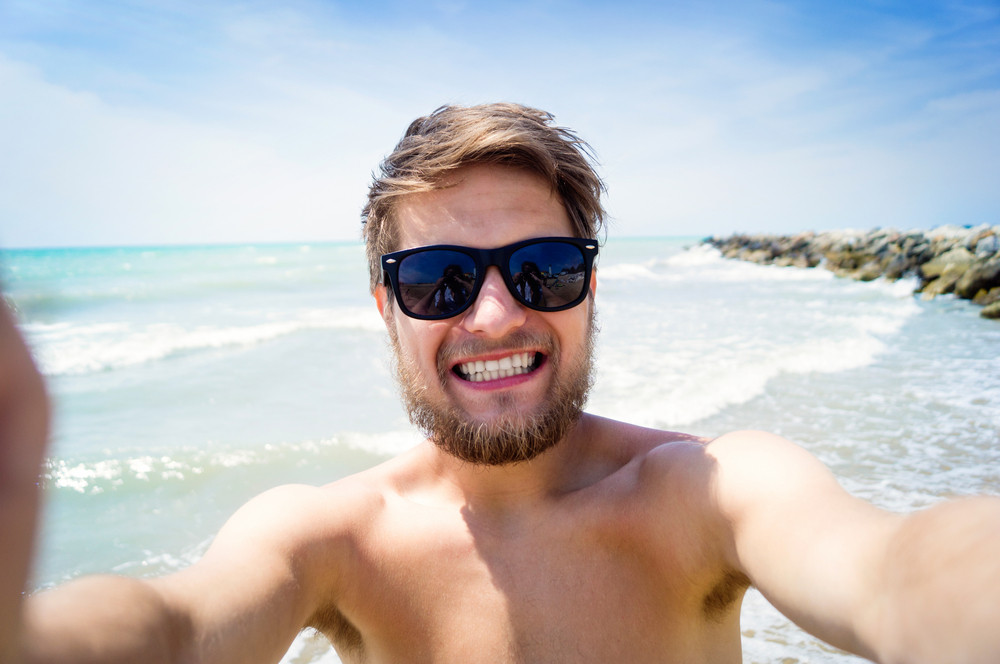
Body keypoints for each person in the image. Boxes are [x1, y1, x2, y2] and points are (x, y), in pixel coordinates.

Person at [2, 102, 999, 664]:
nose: (493, 315)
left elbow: (898, 572)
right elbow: (175, 628)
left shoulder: (707, 490)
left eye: (542, 270)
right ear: (384, 307)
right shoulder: (331, 539)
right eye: (438, 280)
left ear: (591, 288)